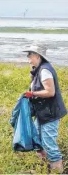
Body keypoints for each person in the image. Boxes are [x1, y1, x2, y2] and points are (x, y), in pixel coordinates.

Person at [23, 44, 67, 173]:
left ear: (37, 56)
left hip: (50, 113)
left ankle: (57, 171)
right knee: (37, 140)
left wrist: (33, 94)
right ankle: (42, 168)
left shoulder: (45, 70)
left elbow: (50, 92)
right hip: (42, 112)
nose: (28, 57)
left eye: (30, 54)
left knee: (49, 145)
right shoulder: (38, 69)